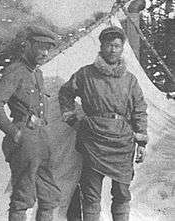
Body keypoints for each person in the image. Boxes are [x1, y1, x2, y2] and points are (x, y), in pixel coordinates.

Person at [59, 26, 148, 221]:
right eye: (109, 45)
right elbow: (65, 93)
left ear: (122, 48)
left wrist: (141, 141)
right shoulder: (85, 74)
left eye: (117, 45)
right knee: (91, 193)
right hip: (93, 140)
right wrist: (72, 118)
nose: (113, 49)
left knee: (122, 192)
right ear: (101, 46)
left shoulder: (130, 80)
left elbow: (140, 110)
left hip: (122, 143)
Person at [0, 25, 61, 221]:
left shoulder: (37, 73)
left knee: (49, 195)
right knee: (23, 196)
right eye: (40, 47)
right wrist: (13, 132)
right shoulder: (16, 72)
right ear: (27, 45)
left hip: (41, 139)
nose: (45, 53)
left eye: (48, 48)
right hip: (25, 138)